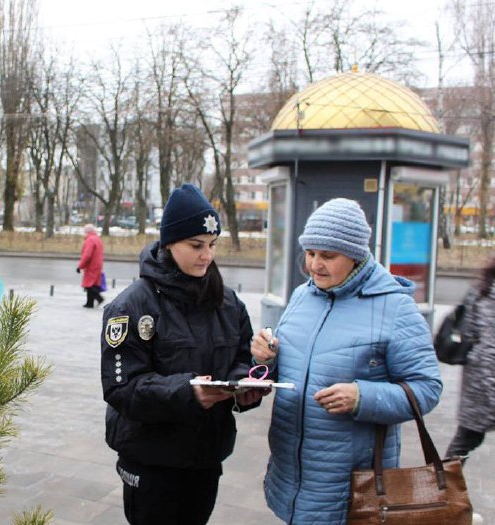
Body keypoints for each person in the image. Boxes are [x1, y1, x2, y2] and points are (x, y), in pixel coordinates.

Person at [251, 198, 443, 525]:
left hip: (351, 489)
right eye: (310, 253)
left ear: (355, 256)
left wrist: (361, 398)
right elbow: (289, 368)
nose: (314, 265)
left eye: (328, 256)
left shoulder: (395, 308)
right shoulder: (301, 297)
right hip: (291, 479)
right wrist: (267, 359)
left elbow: (428, 388)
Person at [100, 184, 265, 525]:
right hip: (150, 459)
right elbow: (121, 388)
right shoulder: (131, 306)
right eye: (196, 246)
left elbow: (239, 360)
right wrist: (188, 391)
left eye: (211, 245)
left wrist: (245, 383)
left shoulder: (228, 302)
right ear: (169, 242)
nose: (207, 255)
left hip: (205, 456)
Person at [445, 255, 495, 464]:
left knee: (464, 442)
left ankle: (441, 489)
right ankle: (441, 489)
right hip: (485, 379)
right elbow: (489, 348)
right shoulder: (488, 291)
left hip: (479, 378)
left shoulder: (484, 284)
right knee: (464, 441)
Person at [77, 223, 104, 308]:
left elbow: (87, 255)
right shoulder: (97, 239)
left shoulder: (90, 240)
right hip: (97, 264)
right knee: (92, 284)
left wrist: (80, 266)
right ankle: (89, 303)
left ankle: (99, 298)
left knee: (89, 285)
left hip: (91, 265)